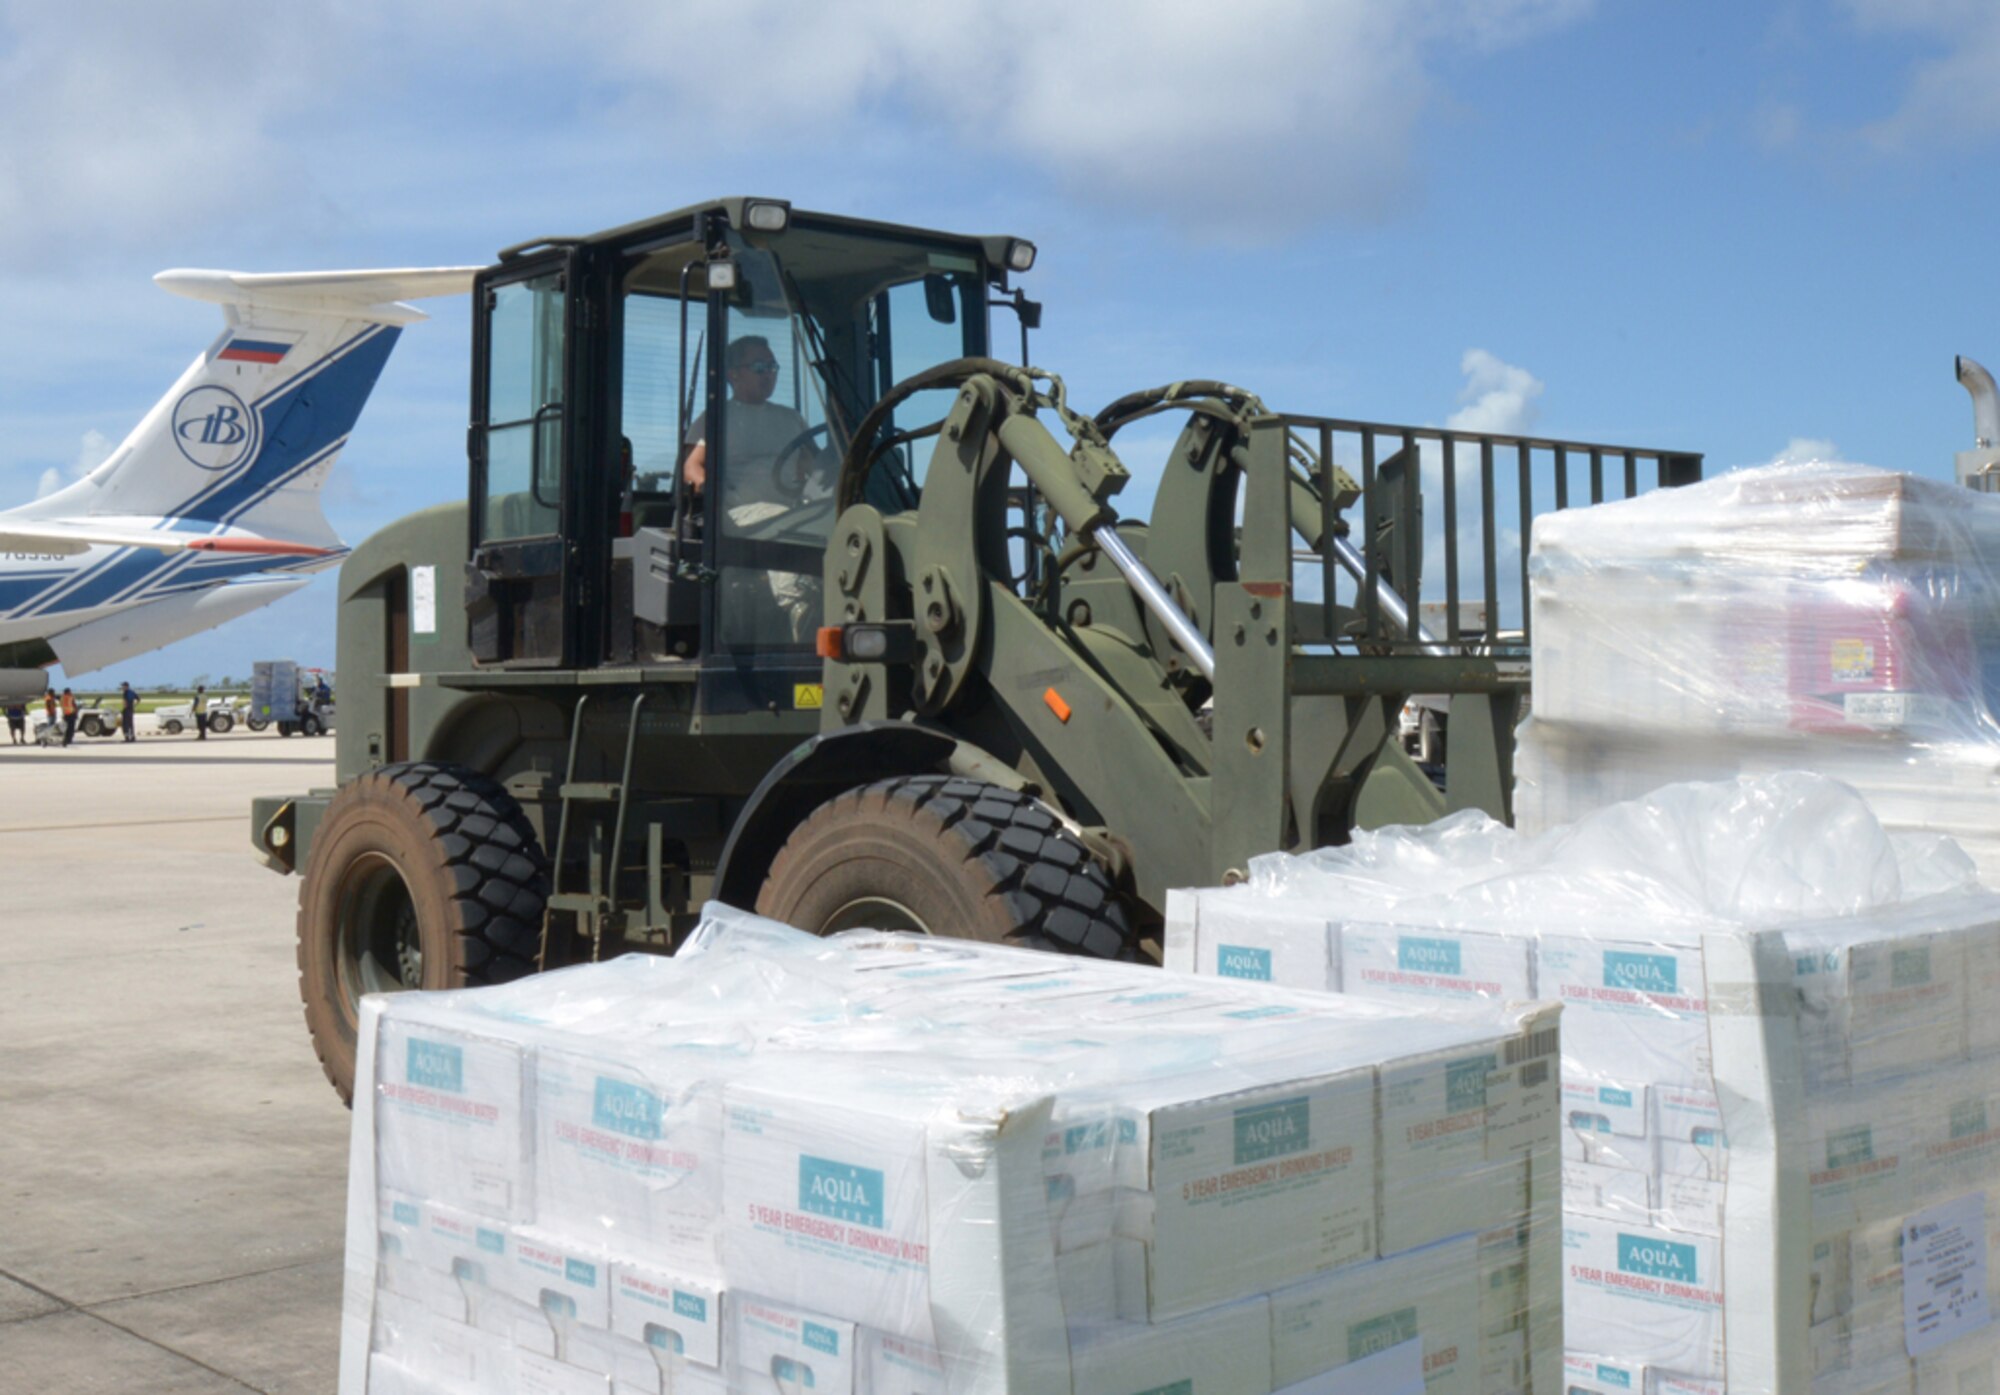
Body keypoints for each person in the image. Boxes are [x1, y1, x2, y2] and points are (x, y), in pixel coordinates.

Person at [680, 335, 824, 641]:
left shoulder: (791, 419)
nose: (768, 373)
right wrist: (704, 486)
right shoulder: (716, 418)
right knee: (783, 522)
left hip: (795, 510)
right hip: (740, 516)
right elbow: (693, 467)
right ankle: (801, 609)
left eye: (772, 366)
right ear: (733, 373)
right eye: (759, 366)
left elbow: (817, 467)